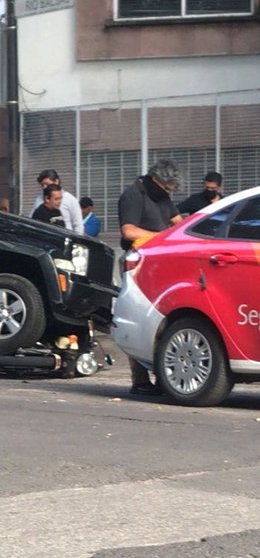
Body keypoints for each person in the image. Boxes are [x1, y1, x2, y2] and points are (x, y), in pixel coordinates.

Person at [118, 158, 183, 397]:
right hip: (138, 261)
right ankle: (140, 379)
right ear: (156, 179)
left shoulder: (163, 198)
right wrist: (162, 237)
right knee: (138, 317)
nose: (168, 193)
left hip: (161, 262)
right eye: (167, 188)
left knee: (162, 318)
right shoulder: (134, 194)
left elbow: (178, 223)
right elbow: (128, 230)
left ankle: (163, 373)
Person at [31, 169, 84, 234]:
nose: (44, 187)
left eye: (47, 184)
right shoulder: (38, 199)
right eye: (42, 185)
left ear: (56, 181)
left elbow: (78, 225)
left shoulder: (70, 200)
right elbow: (32, 221)